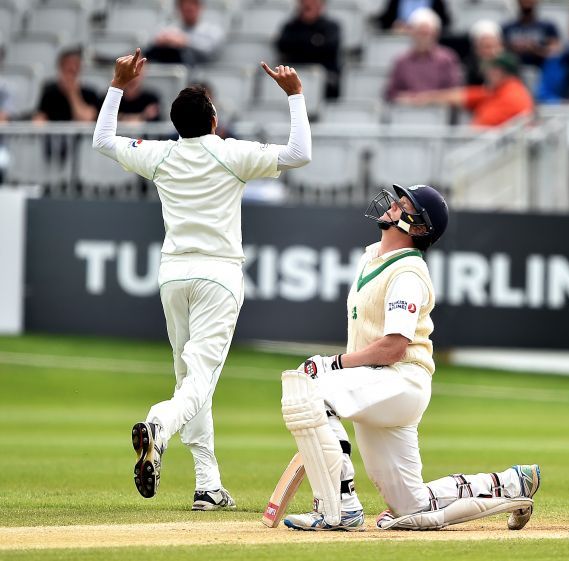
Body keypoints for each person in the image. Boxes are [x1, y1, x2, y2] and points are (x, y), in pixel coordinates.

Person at [92, 49, 312, 510]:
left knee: (191, 378)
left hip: (173, 276)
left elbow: (104, 141)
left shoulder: (160, 155)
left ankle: (208, 485)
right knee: (199, 379)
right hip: (218, 275)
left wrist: (117, 85)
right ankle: (158, 424)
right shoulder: (231, 153)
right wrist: (295, 96)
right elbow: (299, 154)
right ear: (213, 121)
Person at [279, 183, 541, 531]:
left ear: (418, 228)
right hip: (376, 384)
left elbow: (393, 348)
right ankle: (511, 483)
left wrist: (334, 364)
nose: (393, 206)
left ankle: (339, 508)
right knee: (411, 508)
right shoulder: (371, 255)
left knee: (310, 391)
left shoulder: (408, 273)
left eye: (404, 206)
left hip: (399, 379)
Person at [397, 52, 534, 128]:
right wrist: (421, 99)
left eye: (491, 70)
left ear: (500, 72)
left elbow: (478, 129)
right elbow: (459, 95)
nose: (486, 74)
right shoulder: (497, 91)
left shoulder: (512, 96)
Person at [384, 8, 462, 102]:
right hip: (406, 111)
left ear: (436, 34)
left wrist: (426, 99)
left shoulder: (447, 59)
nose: (423, 37)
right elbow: (391, 93)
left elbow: (454, 92)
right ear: (411, 33)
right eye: (419, 33)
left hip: (439, 111)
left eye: (426, 33)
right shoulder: (401, 61)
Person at [276, 0, 342, 99]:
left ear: (320, 5)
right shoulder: (290, 26)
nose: (308, 5)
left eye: (313, 3)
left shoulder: (331, 27)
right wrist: (314, 42)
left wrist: (299, 44)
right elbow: (282, 45)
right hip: (296, 72)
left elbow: (329, 47)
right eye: (304, 3)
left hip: (325, 78)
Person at [146, 0, 225, 65]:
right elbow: (151, 45)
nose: (189, 7)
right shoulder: (169, 28)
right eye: (184, 4)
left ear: (201, 7)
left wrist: (185, 41)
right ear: (178, 8)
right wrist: (164, 41)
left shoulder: (212, 30)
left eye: (193, 3)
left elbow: (210, 52)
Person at [33, 47, 101, 122]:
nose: (71, 75)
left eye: (75, 68)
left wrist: (73, 94)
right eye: (68, 69)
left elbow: (86, 119)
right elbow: (39, 120)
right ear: (60, 68)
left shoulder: (90, 93)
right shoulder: (49, 93)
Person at [503, 0, 561, 68]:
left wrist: (535, 48)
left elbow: (556, 51)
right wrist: (514, 48)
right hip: (514, 71)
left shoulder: (547, 26)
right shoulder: (507, 28)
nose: (527, 1)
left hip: (542, 70)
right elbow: (499, 51)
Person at [463, 20, 504, 86]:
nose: (493, 51)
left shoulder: (509, 67)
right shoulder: (469, 68)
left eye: (496, 46)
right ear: (476, 49)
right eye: (487, 47)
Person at [377, 0, 451, 32]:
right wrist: (394, 25)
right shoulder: (395, 1)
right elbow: (386, 20)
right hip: (398, 41)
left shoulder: (436, 2)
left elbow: (444, 22)